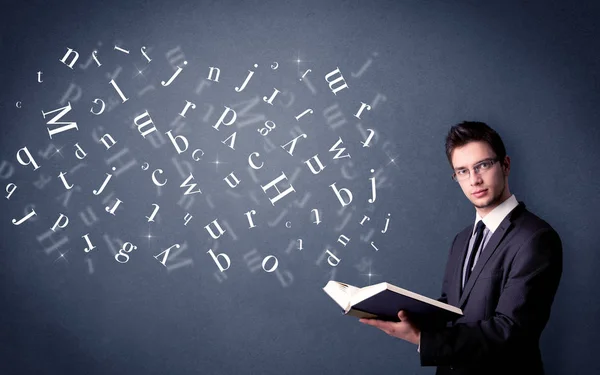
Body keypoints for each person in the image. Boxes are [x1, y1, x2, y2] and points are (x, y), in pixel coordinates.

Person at [359, 121, 562, 375]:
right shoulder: (461, 240)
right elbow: (452, 309)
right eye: (463, 171)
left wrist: (423, 339)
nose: (474, 180)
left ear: (505, 165)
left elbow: (510, 331)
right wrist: (398, 313)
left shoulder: (536, 237)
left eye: (483, 165)